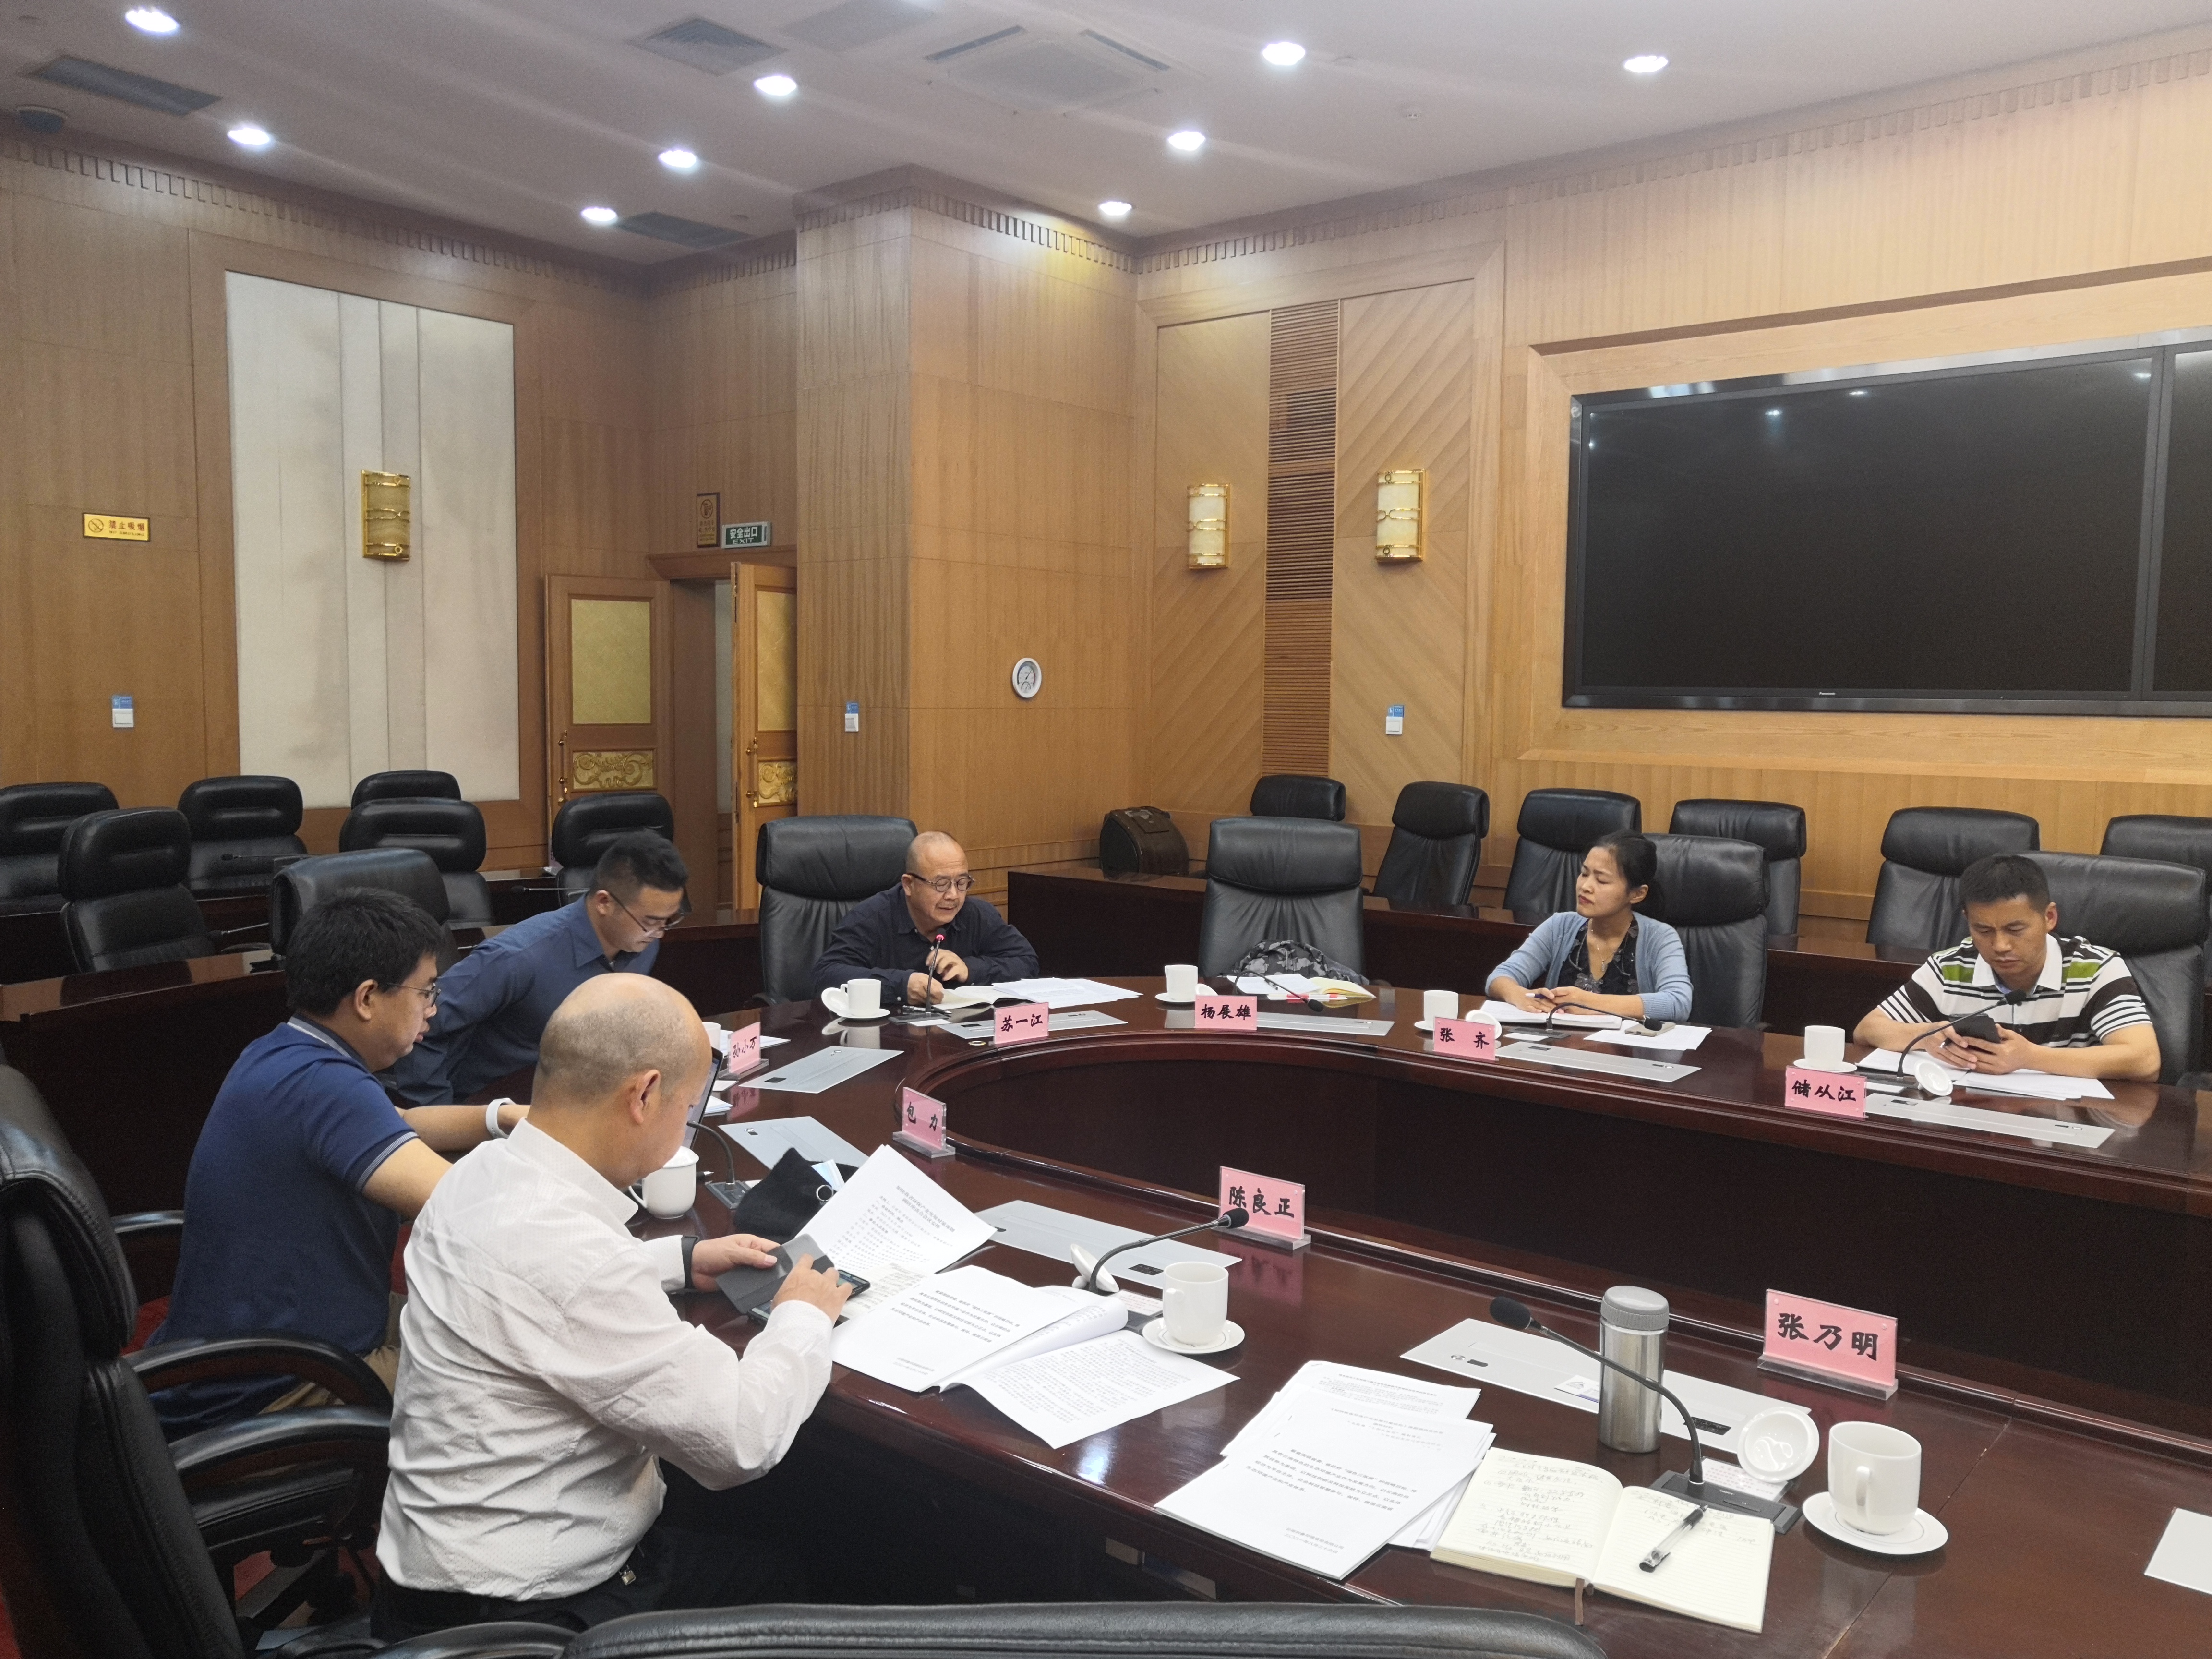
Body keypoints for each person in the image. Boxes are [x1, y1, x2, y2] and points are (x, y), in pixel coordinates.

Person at [373, 974, 849, 1637]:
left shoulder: (479, 1174)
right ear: (645, 1095)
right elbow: (741, 1439)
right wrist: (803, 1313)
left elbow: (528, 1284)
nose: (684, 1130)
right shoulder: (579, 1260)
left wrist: (678, 1261)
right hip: (528, 1617)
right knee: (794, 1572)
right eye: (687, 1110)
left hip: (430, 1581)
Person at [151, 888, 525, 1435]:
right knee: (524, 1373)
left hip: (255, 1348)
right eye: (426, 991)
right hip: (284, 1386)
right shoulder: (327, 1088)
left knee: (499, 1322)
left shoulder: (283, 1051)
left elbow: (400, 1120)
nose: (434, 1008)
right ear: (368, 997)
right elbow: (468, 1211)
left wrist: (507, 1117)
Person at [387, 831, 688, 1104]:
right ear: (604, 903)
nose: (659, 934)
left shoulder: (641, 945)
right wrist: (439, 1116)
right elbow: (420, 1026)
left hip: (579, 1102)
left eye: (668, 921)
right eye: (650, 922)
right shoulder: (518, 958)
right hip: (491, 1107)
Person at [1853, 853, 2160, 1081]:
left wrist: (2030, 1057)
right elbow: (1867, 1030)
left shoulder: (2095, 967)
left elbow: (2144, 1060)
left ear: (2049, 918)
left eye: (2015, 930)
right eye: (1983, 930)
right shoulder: (1950, 968)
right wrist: (1926, 1035)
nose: (2000, 945)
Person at [810, 830, 1038, 1008]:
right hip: (888, 1037)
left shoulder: (976, 915)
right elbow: (826, 975)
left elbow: (1026, 962)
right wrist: (900, 985)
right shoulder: (870, 918)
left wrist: (971, 969)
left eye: (962, 883)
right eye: (941, 884)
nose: (953, 895)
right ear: (909, 884)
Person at [1486, 830, 1693, 1023]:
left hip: (1627, 1048)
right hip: (1559, 1044)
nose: (1585, 887)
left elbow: (1678, 1002)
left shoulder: (1660, 937)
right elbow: (1499, 978)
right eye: (1584, 874)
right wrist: (1520, 995)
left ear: (1637, 894)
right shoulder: (1560, 926)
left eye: (1601, 880)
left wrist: (1589, 1002)